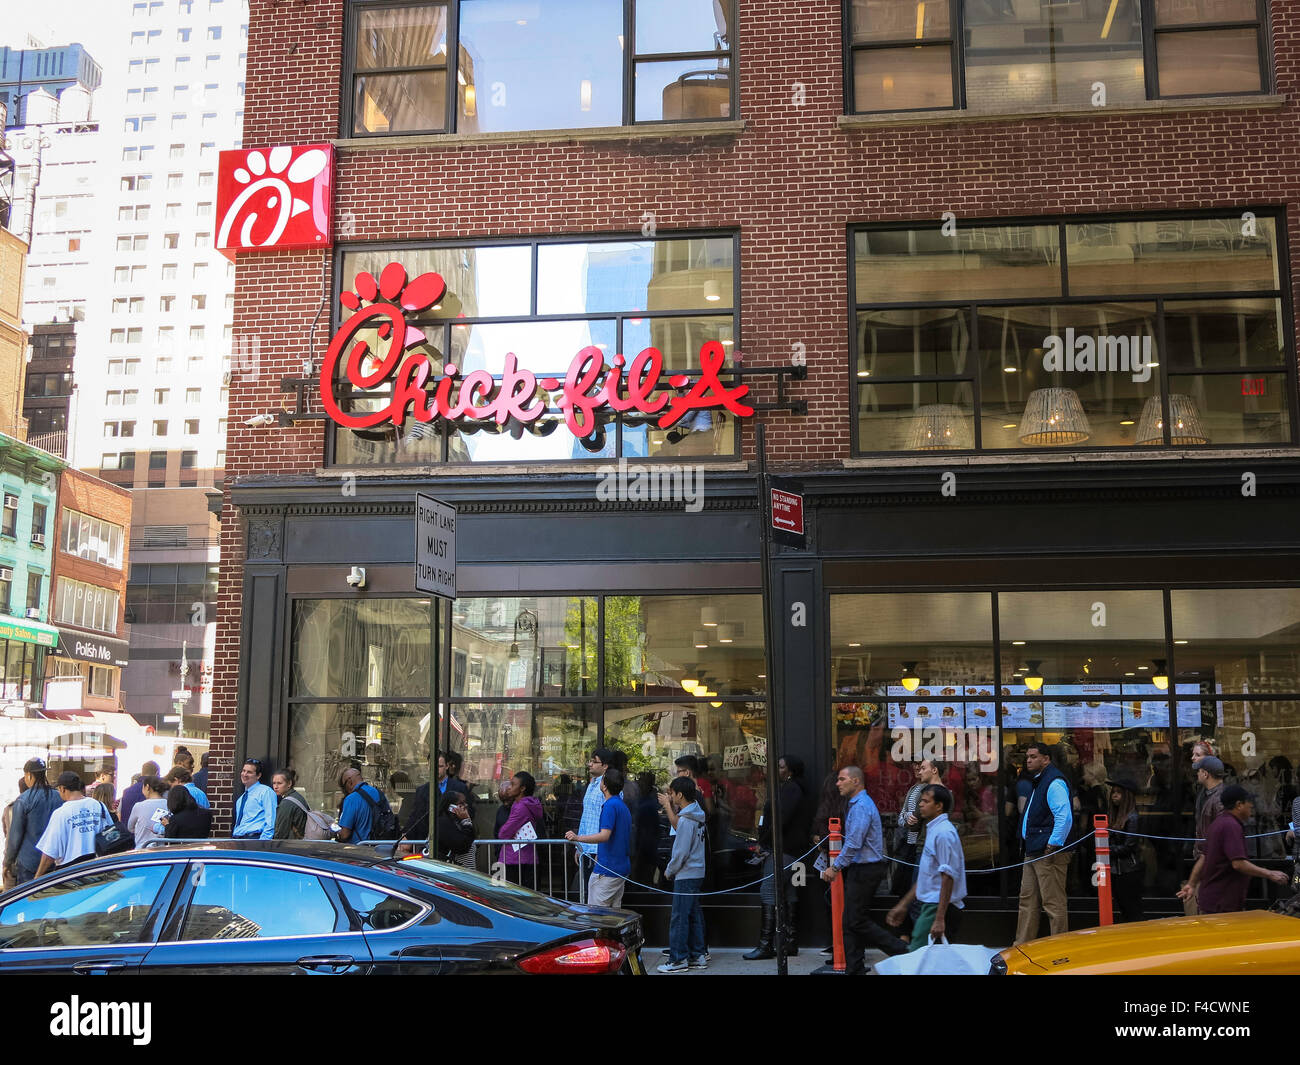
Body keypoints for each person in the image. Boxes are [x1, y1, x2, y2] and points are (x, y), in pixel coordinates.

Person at [817, 766, 907, 974]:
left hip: (866, 869)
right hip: (861, 868)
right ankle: (854, 967)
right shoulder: (856, 804)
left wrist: (835, 867)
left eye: (842, 779)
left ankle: (901, 950)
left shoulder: (861, 806)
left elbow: (854, 843)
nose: (837, 783)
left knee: (855, 920)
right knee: (850, 920)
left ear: (856, 781)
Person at [744, 753, 814, 960]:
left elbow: (780, 819)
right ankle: (789, 943)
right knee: (789, 893)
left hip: (783, 851)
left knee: (768, 892)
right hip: (796, 852)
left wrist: (763, 842)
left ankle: (766, 945)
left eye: (781, 767)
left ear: (790, 770)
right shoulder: (796, 789)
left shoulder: (791, 789)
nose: (777, 770)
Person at [1181, 786, 1288, 913]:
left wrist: (1192, 884)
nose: (1251, 809)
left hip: (1214, 901)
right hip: (1222, 903)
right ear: (1239, 805)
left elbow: (1203, 857)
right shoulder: (1231, 826)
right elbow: (1238, 864)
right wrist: (1270, 874)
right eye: (1249, 805)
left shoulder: (1218, 823)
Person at [887, 784, 966, 949]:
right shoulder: (933, 829)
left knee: (919, 957)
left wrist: (939, 918)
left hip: (937, 907)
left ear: (939, 806)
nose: (920, 804)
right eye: (921, 800)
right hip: (930, 906)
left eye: (925, 801)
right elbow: (927, 876)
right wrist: (903, 905)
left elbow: (948, 877)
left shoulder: (944, 833)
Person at [1014, 742, 1073, 944]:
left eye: (1033, 756)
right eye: (1027, 757)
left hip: (1047, 851)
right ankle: (1021, 946)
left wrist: (1053, 844)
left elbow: (1064, 817)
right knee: (1027, 901)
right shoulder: (1041, 780)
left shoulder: (1053, 781)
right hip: (1034, 849)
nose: (1028, 760)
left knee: (1053, 904)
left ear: (1046, 759)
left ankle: (1059, 949)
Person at [657, 776, 709, 973]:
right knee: (693, 915)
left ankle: (678, 958)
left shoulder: (687, 820)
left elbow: (680, 853)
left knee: (679, 917)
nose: (671, 796)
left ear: (680, 795)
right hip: (697, 872)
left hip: (686, 874)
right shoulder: (697, 814)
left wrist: (669, 871)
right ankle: (697, 954)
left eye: (672, 793)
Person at [567, 766, 631, 909]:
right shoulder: (622, 806)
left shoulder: (610, 806)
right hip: (619, 867)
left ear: (604, 786)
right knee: (613, 916)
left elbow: (604, 835)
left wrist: (578, 838)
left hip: (608, 869)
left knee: (597, 916)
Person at [34, 772, 115, 876]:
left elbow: (50, 853)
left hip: (70, 873)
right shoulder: (98, 805)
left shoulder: (60, 813)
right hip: (98, 867)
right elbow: (112, 835)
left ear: (62, 789)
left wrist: (37, 877)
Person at [1179, 755, 1226, 913]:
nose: (1197, 774)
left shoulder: (1218, 799)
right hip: (1209, 861)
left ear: (1206, 774)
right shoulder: (1208, 795)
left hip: (1213, 863)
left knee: (1211, 909)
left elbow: (1219, 838)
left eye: (1199, 771)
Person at [4, 758, 62, 884]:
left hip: (29, 862)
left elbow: (15, 836)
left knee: (28, 900)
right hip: (53, 860)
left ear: (29, 775)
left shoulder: (23, 800)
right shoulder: (59, 796)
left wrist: (7, 862)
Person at [894, 758, 944, 898]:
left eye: (921, 766)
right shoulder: (913, 788)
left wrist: (909, 819)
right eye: (915, 764)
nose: (917, 768)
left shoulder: (932, 791)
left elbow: (917, 819)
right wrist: (907, 819)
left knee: (917, 891)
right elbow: (902, 817)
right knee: (906, 886)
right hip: (911, 844)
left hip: (922, 844)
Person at [404, 751, 472, 842]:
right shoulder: (422, 791)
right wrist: (406, 836)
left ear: (447, 766)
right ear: (428, 766)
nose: (436, 769)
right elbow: (415, 816)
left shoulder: (460, 787)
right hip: (429, 841)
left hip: (454, 840)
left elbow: (469, 812)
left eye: (440, 766)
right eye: (432, 766)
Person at [1107, 769, 1145, 923]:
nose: (1114, 795)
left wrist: (1105, 850)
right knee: (1123, 908)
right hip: (1116, 870)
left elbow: (1128, 846)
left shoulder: (1132, 817)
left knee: (1132, 910)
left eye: (1119, 792)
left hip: (1128, 870)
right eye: (1113, 792)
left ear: (1126, 796)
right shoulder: (1114, 815)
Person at [573, 747, 615, 882]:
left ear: (605, 766)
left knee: (596, 893)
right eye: (590, 761)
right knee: (586, 892)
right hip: (587, 847)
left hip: (599, 849)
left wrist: (601, 850)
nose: (590, 764)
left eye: (594, 761)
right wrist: (579, 846)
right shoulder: (592, 784)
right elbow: (586, 818)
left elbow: (609, 820)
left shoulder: (609, 786)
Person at [498, 771, 545, 886]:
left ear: (522, 788)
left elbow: (503, 833)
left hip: (515, 859)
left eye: (513, 784)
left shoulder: (521, 807)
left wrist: (507, 832)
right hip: (523, 856)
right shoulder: (522, 804)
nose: (509, 788)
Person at [337, 766, 394, 843]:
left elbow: (345, 834)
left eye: (344, 786)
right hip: (381, 846)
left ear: (349, 782)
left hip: (359, 848)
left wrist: (337, 834)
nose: (345, 790)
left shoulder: (351, 799)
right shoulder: (379, 793)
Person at [232, 758, 277, 839]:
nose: (244, 774)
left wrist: (263, 843)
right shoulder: (241, 799)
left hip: (255, 839)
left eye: (249, 772)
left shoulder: (265, 792)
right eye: (243, 771)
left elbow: (271, 822)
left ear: (258, 775)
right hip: (238, 840)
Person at [126, 775, 170, 849]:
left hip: (142, 849)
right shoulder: (169, 804)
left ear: (147, 787)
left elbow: (130, 827)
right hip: (162, 849)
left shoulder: (139, 806)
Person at [436, 790, 477, 868]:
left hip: (466, 870)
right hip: (454, 871)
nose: (466, 805)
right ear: (451, 807)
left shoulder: (459, 822)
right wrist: (466, 820)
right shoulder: (443, 823)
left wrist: (466, 820)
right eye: (461, 803)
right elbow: (462, 846)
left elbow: (471, 837)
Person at [118, 760, 161, 826]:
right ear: (156, 773)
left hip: (127, 832)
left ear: (142, 773)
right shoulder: (157, 791)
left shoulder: (127, 791)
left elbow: (121, 814)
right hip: (149, 833)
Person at [272, 768, 308, 840]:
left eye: (279, 783)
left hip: (293, 845)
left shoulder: (287, 803)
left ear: (289, 784)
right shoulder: (297, 796)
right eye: (274, 783)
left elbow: (280, 833)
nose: (275, 787)